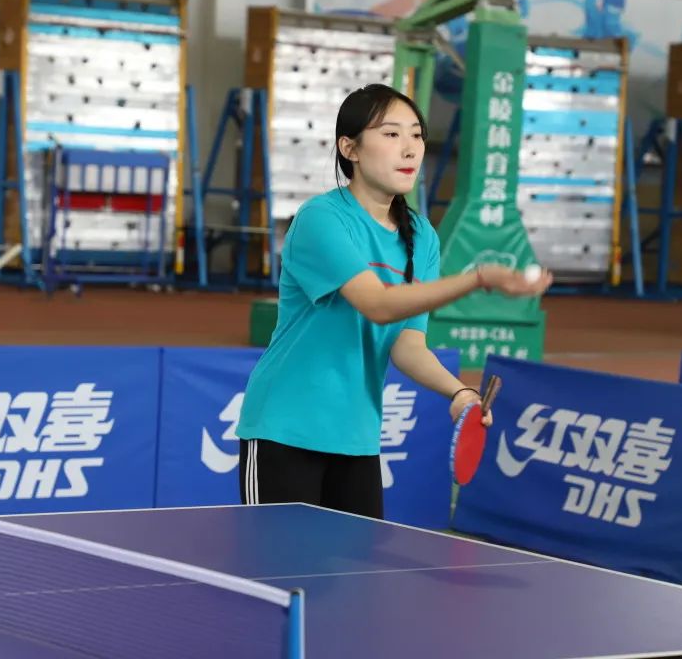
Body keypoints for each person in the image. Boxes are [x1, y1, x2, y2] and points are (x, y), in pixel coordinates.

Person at [235, 84, 553, 519]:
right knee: (278, 562)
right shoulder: (321, 219)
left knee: (354, 564)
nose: (410, 149)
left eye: (417, 135)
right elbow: (378, 305)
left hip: (356, 438)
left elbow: (407, 344)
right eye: (390, 134)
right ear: (350, 148)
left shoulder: (422, 237)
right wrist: (477, 279)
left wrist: (458, 391)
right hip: (285, 431)